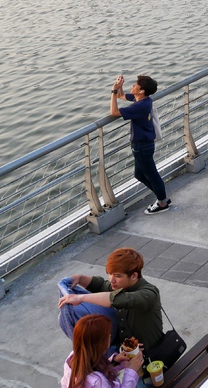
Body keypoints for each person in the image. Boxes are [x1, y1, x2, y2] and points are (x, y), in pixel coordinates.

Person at [59, 248, 164, 351]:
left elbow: (118, 299)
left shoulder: (149, 294)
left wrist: (80, 298)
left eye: (117, 276)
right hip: (127, 353)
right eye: (110, 273)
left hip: (152, 354)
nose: (112, 280)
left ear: (134, 276)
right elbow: (100, 285)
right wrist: (80, 278)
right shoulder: (120, 285)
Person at [62, 314, 142, 388]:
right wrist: (131, 372)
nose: (110, 337)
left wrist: (114, 362)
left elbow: (94, 369)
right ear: (100, 344)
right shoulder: (96, 386)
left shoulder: (73, 358)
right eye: (108, 336)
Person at [110, 74, 170, 215]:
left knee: (152, 175)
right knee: (139, 175)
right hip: (144, 144)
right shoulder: (144, 100)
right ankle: (162, 198)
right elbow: (122, 96)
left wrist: (113, 92)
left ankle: (162, 202)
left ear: (141, 90)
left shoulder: (140, 106)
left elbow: (113, 112)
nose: (133, 86)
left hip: (141, 146)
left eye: (135, 85)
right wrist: (118, 87)